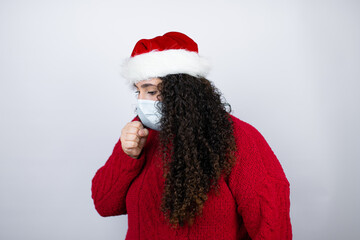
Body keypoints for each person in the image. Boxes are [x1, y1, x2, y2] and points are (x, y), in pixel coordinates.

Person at [91, 32, 292, 240]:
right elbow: (104, 205)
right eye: (138, 92)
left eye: (150, 92)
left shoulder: (236, 137)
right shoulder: (140, 133)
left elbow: (272, 226)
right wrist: (128, 155)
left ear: (183, 91)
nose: (141, 101)